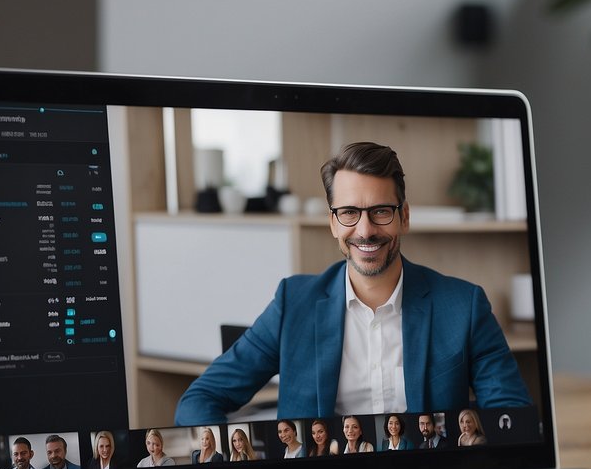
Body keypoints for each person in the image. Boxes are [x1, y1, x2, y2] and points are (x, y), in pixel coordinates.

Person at [174, 142, 532, 425]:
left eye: (380, 211)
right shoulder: (292, 304)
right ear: (332, 222)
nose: (364, 231)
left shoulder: (464, 305)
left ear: (403, 217)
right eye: (348, 213)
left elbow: (512, 415)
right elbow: (200, 400)